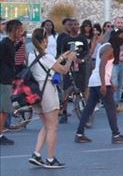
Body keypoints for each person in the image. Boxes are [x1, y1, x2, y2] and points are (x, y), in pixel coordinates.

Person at [27, 28, 76, 168]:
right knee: (53, 126)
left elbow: (47, 66)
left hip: (36, 91)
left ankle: (36, 154)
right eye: (46, 39)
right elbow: (63, 70)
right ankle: (50, 158)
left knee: (46, 125)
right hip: (47, 90)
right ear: (43, 40)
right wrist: (70, 59)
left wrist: (61, 58)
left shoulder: (32, 54)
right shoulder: (46, 56)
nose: (48, 42)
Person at [74, 29, 123, 145]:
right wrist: (104, 85)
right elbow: (102, 66)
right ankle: (116, 135)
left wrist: (109, 81)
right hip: (101, 80)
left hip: (96, 80)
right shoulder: (109, 48)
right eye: (121, 37)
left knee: (88, 108)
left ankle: (79, 133)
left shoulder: (104, 46)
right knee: (111, 109)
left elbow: (105, 66)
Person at [56, 19, 90, 123]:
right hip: (69, 68)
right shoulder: (65, 39)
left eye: (76, 24)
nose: (74, 26)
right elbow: (62, 53)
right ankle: (64, 112)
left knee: (83, 89)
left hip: (81, 68)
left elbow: (88, 52)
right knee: (67, 89)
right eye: (72, 25)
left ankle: (86, 112)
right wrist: (66, 61)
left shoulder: (83, 39)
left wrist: (82, 60)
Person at [0, 19, 26, 146]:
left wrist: (19, 44)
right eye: (20, 30)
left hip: (7, 78)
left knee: (5, 109)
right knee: (5, 110)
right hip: (3, 80)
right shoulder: (5, 43)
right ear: (14, 30)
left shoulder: (10, 43)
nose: (21, 32)